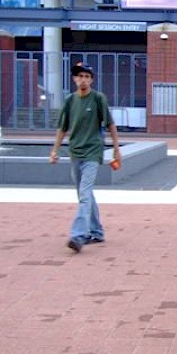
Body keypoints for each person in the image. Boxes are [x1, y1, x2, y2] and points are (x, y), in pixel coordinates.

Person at [50, 63, 121, 252]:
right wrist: (55, 150)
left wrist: (116, 149)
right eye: (80, 76)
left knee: (84, 193)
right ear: (74, 79)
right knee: (85, 194)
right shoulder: (70, 101)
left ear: (92, 79)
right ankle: (97, 231)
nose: (83, 79)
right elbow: (62, 127)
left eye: (87, 76)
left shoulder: (98, 99)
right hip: (75, 152)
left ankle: (78, 236)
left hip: (93, 152)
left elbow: (111, 124)